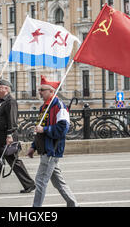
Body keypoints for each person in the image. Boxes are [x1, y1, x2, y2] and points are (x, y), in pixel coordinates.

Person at [0, 79, 35, 195]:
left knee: (14, 161)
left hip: (5, 138)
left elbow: (12, 120)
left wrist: (10, 135)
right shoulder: (1, 101)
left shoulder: (10, 102)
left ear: (6, 89)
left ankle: (29, 184)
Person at [27, 75, 78, 207]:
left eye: (42, 90)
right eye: (40, 89)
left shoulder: (60, 106)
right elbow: (39, 130)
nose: (40, 92)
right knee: (57, 182)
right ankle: (73, 204)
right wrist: (33, 146)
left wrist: (44, 129)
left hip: (52, 149)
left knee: (40, 180)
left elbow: (62, 129)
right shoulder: (44, 107)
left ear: (51, 91)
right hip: (45, 148)